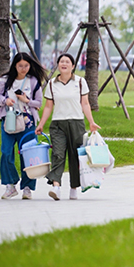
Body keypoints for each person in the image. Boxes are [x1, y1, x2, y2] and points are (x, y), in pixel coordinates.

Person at [36, 53, 100, 200]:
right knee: (58, 154)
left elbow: (85, 103)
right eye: (61, 61)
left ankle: (73, 188)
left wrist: (91, 122)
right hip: (58, 124)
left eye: (67, 62)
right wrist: (41, 124)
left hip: (76, 123)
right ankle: (56, 187)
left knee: (75, 156)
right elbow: (48, 107)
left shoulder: (80, 82)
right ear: (58, 65)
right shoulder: (51, 84)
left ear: (73, 66)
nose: (64, 64)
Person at [0, 52, 48, 200]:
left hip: (28, 122)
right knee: (6, 152)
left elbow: (39, 102)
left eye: (26, 65)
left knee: (28, 155)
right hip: (9, 120)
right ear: (15, 66)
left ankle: (27, 188)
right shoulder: (5, 80)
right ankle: (10, 185)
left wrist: (26, 100)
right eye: (20, 66)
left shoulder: (33, 81)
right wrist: (5, 101)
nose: (23, 68)